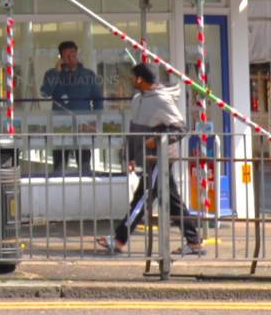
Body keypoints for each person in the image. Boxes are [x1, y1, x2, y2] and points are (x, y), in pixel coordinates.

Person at [103, 63, 203, 255]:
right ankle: (194, 242)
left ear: (140, 79)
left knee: (142, 198)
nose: (131, 80)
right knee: (172, 201)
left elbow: (181, 128)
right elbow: (134, 129)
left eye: (133, 77)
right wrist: (131, 156)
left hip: (161, 157)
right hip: (148, 157)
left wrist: (156, 140)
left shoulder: (161, 100)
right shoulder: (138, 99)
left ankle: (119, 240)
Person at [39, 40, 102, 173]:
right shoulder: (52, 74)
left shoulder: (88, 75)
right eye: (67, 56)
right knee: (59, 163)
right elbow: (45, 93)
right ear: (61, 57)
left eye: (73, 55)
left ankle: (86, 187)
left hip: (83, 122)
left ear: (77, 53)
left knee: (84, 161)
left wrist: (97, 119)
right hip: (60, 123)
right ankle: (57, 187)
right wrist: (57, 72)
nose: (71, 59)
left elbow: (98, 99)